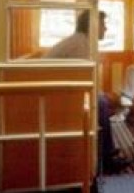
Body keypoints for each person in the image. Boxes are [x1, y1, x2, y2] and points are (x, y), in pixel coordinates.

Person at [44, 10, 129, 173]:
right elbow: (83, 79)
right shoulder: (80, 45)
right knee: (101, 103)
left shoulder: (82, 41)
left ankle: (106, 149)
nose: (106, 29)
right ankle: (106, 156)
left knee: (102, 100)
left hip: (61, 89)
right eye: (103, 24)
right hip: (54, 94)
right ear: (93, 26)